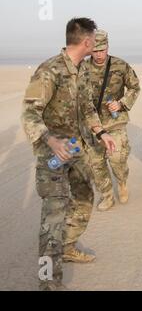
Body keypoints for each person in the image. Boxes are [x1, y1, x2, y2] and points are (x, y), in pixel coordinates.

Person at [21, 18, 116, 290]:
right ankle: (48, 282)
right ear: (87, 41)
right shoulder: (49, 71)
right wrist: (50, 139)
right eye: (94, 39)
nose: (96, 44)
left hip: (75, 147)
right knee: (53, 214)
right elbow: (29, 113)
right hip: (52, 154)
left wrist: (101, 132)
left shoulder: (82, 69)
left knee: (85, 194)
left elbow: (87, 107)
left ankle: (68, 246)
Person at [87, 30, 140, 211]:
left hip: (114, 122)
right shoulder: (82, 69)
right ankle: (107, 195)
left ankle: (122, 182)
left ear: (108, 47)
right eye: (95, 51)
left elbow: (134, 87)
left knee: (117, 159)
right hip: (92, 124)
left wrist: (122, 103)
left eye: (102, 50)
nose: (99, 54)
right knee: (96, 163)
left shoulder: (120, 65)